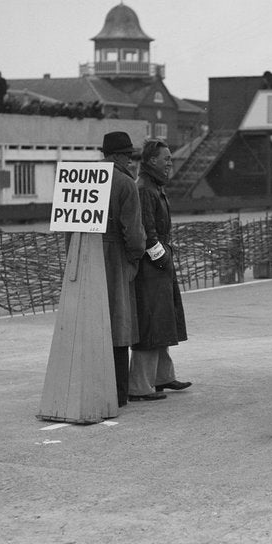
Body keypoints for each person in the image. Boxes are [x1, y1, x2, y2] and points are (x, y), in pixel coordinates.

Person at [129, 138, 191, 401]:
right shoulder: (145, 188)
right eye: (166, 158)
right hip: (151, 269)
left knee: (162, 321)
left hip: (158, 267)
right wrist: (162, 258)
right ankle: (140, 386)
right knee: (151, 323)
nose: (170, 163)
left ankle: (162, 377)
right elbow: (147, 232)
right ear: (152, 160)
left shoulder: (153, 186)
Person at [98, 131, 147, 407]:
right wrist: (135, 258)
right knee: (119, 324)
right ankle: (118, 393)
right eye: (128, 156)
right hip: (115, 257)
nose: (130, 161)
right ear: (118, 156)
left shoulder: (85, 177)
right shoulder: (125, 183)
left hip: (86, 256)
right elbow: (135, 233)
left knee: (92, 323)